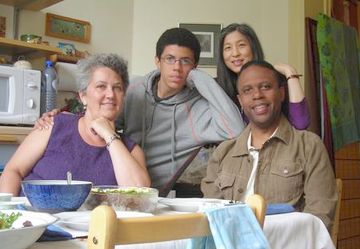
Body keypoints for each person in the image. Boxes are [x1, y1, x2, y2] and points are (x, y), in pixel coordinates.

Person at [34, 28, 244, 196]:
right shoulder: (134, 88)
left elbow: (237, 130)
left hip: (147, 193)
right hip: (106, 181)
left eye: (186, 61)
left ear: (195, 66)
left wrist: (199, 78)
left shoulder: (197, 112)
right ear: (157, 61)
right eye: (170, 59)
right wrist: (58, 114)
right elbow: (96, 114)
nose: (177, 68)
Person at [201, 60, 337, 231]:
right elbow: (211, 217)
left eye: (265, 87)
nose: (257, 95)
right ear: (240, 100)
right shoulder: (223, 153)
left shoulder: (309, 146)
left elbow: (319, 218)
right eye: (247, 90)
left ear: (281, 93)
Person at [0, 54, 151, 196]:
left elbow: (138, 196)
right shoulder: (53, 125)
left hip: (91, 224)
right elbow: (13, 171)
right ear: (83, 96)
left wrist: (109, 135)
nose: (111, 94)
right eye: (101, 86)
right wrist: (7, 215)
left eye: (117, 88)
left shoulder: (131, 150)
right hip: (35, 219)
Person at [217, 23, 310, 130]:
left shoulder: (274, 79)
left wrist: (290, 72)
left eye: (241, 45)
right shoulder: (217, 88)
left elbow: (301, 123)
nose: (235, 53)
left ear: (253, 47)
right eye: (228, 48)